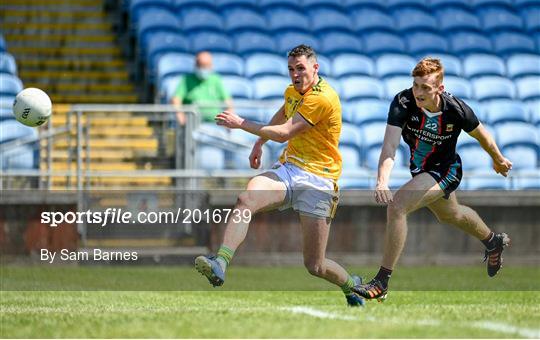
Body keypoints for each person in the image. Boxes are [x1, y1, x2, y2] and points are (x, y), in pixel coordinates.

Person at [194, 44, 365, 307]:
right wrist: (259, 143)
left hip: (319, 180)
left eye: (300, 69)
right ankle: (221, 262)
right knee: (246, 198)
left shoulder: (322, 97)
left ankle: (351, 285)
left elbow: (285, 132)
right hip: (290, 169)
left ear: (315, 68)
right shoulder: (293, 91)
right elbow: (284, 112)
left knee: (315, 265)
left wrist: (241, 124)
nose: (295, 75)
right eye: (290, 69)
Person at [352, 57, 512, 302]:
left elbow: (483, 137)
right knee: (451, 214)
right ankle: (493, 242)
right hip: (421, 170)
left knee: (397, 207)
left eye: (425, 87)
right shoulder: (403, 102)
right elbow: (389, 147)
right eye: (416, 85)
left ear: (440, 88)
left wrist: (498, 159)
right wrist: (382, 181)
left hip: (447, 170)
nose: (418, 92)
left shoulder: (456, 110)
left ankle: (382, 281)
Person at [170, 51, 234, 125]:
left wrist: (228, 120)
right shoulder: (187, 79)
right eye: (201, 65)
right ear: (196, 65)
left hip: (215, 124)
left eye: (206, 65)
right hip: (192, 124)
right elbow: (176, 99)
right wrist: (181, 117)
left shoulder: (216, 79)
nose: (204, 68)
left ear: (211, 66)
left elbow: (228, 101)